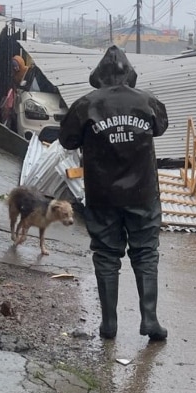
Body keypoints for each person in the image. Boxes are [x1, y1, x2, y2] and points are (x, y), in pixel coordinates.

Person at [58, 46, 169, 342]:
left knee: (106, 255)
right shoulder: (147, 102)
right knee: (146, 253)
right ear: (129, 74)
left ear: (99, 76)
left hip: (102, 195)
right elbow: (161, 127)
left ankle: (109, 324)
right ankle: (150, 319)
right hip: (143, 193)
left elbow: (67, 140)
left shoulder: (85, 105)